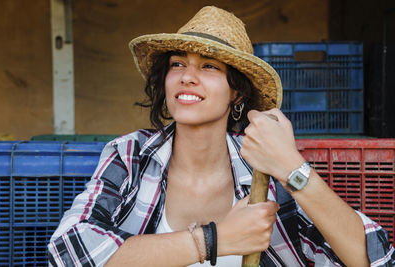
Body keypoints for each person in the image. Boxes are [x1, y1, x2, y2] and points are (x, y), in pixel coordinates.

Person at [48, 6, 394, 267]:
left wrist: (292, 167)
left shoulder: (264, 170)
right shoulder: (131, 154)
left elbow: (374, 257)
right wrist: (215, 240)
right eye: (177, 64)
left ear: (237, 93)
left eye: (210, 66)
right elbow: (67, 252)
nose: (187, 76)